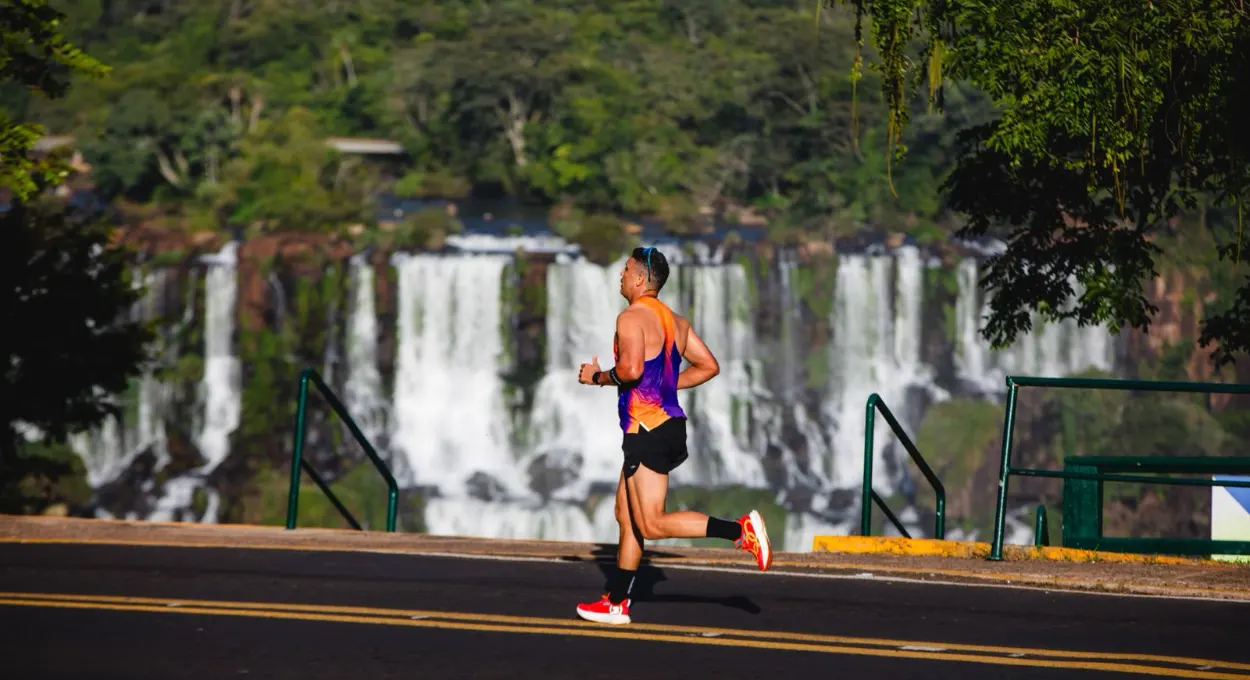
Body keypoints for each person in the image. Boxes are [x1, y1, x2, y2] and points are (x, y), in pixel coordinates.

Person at [574, 246, 772, 626]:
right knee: (625, 515)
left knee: (650, 523)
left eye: (626, 268)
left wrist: (595, 378)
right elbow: (708, 366)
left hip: (645, 429)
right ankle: (616, 602)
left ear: (638, 279)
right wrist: (667, 386)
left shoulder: (631, 317)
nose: (620, 273)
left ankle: (740, 530)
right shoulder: (675, 321)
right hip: (664, 424)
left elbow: (629, 370)